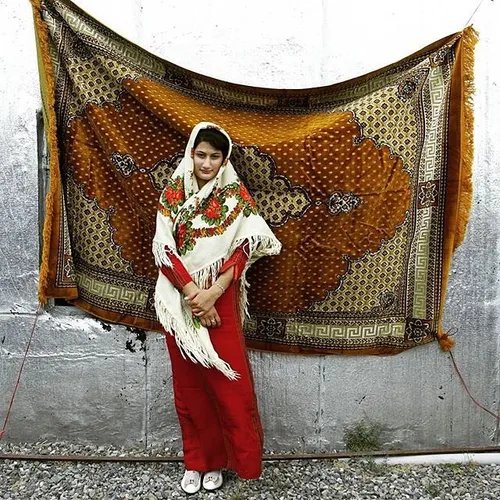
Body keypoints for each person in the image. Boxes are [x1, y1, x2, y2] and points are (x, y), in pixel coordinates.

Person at [152, 122, 281, 493]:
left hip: (221, 294)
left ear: (223, 160)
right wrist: (195, 294)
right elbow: (163, 249)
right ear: (191, 154)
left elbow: (244, 248)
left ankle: (225, 462)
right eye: (201, 154)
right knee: (189, 386)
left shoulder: (234, 196)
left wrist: (214, 293)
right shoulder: (173, 194)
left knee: (228, 384)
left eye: (214, 156)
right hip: (180, 298)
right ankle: (196, 462)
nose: (206, 163)